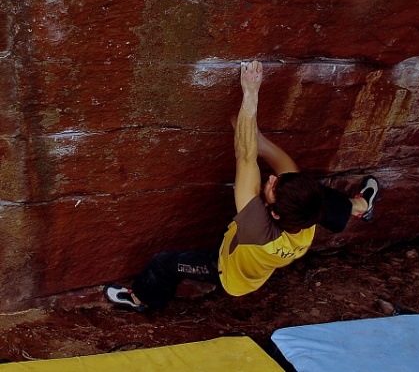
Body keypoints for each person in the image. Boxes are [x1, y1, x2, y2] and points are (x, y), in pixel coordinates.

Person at [104, 61, 379, 311]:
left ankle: (142, 299)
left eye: (272, 187)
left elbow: (245, 157)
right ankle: (360, 206)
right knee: (320, 196)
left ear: (273, 213)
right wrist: (257, 139)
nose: (270, 179)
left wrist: (250, 95)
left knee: (163, 262)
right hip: (274, 241)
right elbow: (283, 166)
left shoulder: (258, 227)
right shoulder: (306, 215)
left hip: (228, 270)